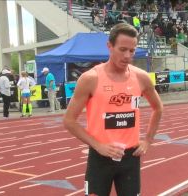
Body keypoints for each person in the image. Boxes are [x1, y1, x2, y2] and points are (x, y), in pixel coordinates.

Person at [63, 23, 163, 196]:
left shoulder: (141, 77)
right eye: (122, 49)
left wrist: (147, 140)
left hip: (131, 158)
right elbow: (69, 121)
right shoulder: (90, 79)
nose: (127, 56)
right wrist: (98, 145)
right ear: (109, 46)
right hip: (100, 158)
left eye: (132, 51)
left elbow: (158, 108)